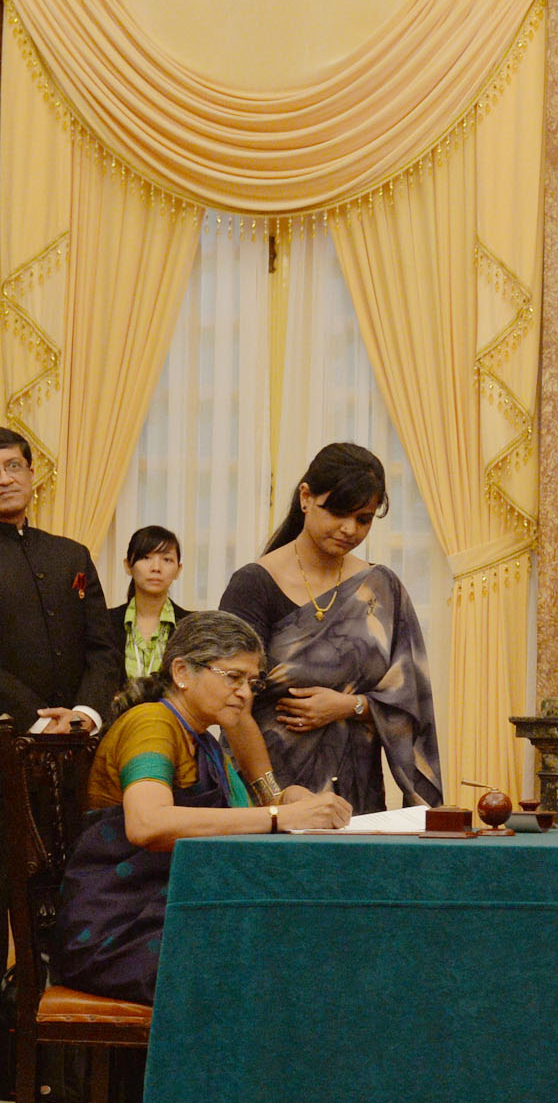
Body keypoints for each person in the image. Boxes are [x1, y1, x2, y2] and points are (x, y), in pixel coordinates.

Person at [52, 611, 352, 1005]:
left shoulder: (200, 737)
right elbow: (147, 824)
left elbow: (247, 810)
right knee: (285, 968)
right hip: (120, 931)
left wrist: (286, 797)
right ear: (181, 672)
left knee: (308, 943)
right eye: (233, 677)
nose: (246, 693)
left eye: (252, 682)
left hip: (169, 915)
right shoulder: (151, 724)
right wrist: (279, 815)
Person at [219, 443, 442, 814]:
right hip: (268, 793)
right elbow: (228, 701)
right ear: (306, 497)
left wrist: (349, 706)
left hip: (355, 796)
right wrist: (274, 797)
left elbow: (411, 705)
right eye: (338, 513)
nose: (349, 529)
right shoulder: (254, 585)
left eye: (364, 519)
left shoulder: (380, 589)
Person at [0, 427, 121, 734]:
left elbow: (102, 649)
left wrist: (84, 714)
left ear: (30, 473)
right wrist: (39, 720)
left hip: (79, 737)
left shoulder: (72, 555)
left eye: (13, 466)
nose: (4, 479)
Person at [109, 525, 189, 682]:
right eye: (146, 557)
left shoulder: (192, 626)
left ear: (178, 569)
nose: (156, 568)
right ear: (128, 566)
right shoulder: (105, 622)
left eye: (167, 559)